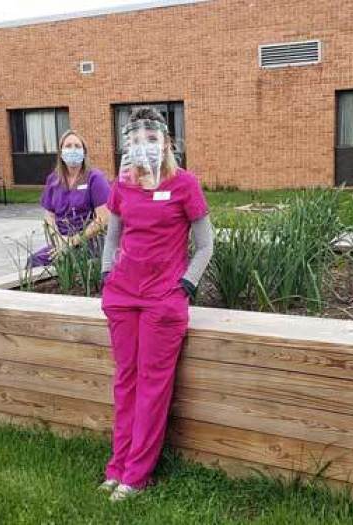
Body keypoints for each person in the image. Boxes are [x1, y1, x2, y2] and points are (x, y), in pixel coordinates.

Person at [98, 107, 214, 500]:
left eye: (150, 138)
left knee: (152, 385)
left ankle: (137, 474)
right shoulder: (122, 184)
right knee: (124, 381)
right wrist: (105, 275)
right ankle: (117, 465)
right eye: (134, 139)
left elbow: (206, 245)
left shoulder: (184, 184)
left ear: (166, 142)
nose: (142, 146)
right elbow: (113, 238)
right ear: (125, 145)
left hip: (163, 300)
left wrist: (186, 285)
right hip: (122, 297)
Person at [28, 130, 110, 267]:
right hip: (62, 241)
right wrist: (58, 239)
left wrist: (72, 242)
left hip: (89, 241)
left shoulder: (95, 178)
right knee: (34, 261)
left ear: (84, 152)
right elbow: (49, 216)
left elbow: (103, 219)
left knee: (63, 262)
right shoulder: (54, 180)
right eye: (68, 146)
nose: (73, 149)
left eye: (77, 146)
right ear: (61, 153)